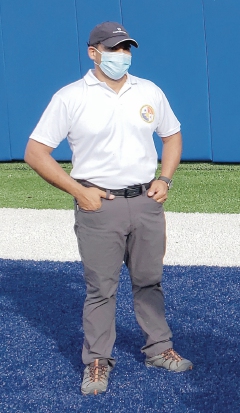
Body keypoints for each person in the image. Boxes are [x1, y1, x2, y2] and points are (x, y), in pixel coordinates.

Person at [24, 22, 192, 396]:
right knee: (101, 289)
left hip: (146, 203)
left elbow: (172, 134)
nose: (122, 55)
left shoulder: (148, 90)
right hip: (99, 206)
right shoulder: (70, 97)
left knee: (149, 281)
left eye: (126, 48)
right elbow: (35, 152)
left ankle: (159, 349)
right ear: (93, 52)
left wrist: (165, 179)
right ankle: (97, 360)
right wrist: (78, 191)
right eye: (113, 48)